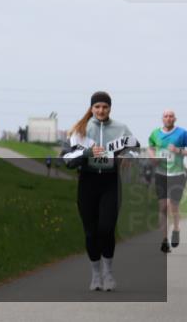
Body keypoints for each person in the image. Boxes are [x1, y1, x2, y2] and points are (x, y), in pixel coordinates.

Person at [61, 91, 139, 292]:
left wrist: (128, 155)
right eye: (97, 107)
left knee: (106, 228)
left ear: (110, 108)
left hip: (110, 182)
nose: (101, 110)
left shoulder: (121, 128)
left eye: (105, 106)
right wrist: (87, 152)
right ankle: (95, 274)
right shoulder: (80, 130)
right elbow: (67, 158)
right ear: (92, 108)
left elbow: (135, 147)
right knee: (91, 232)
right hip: (87, 182)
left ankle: (108, 272)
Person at [147, 109, 187, 253]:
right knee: (163, 207)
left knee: (173, 206)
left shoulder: (182, 133)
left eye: (171, 116)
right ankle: (164, 240)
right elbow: (150, 147)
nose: (168, 118)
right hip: (161, 173)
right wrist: (153, 157)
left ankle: (176, 229)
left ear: (175, 119)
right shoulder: (155, 133)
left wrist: (178, 151)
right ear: (162, 119)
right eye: (166, 116)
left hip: (177, 174)